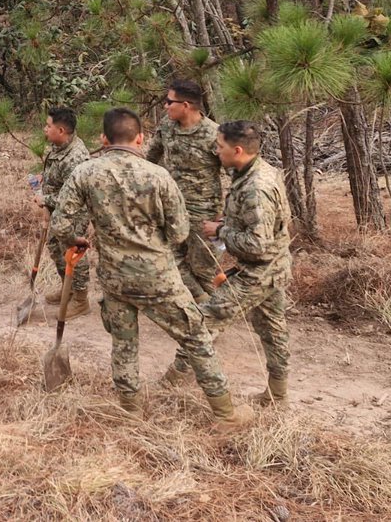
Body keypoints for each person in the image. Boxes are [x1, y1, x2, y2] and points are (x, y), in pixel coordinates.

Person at [52, 107, 253, 427]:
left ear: (103, 139)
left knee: (124, 343)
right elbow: (179, 233)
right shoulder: (159, 176)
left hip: (114, 277)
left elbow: (61, 225)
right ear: (141, 139)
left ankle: (130, 409)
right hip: (158, 277)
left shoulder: (85, 172)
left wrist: (78, 240)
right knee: (196, 337)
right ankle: (225, 413)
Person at [163, 121, 292, 408]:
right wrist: (230, 224)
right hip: (273, 267)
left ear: (237, 150)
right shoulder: (256, 172)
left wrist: (220, 231)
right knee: (272, 329)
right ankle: (278, 396)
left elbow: (257, 243)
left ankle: (175, 379)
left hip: (259, 271)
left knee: (201, 322)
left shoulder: (256, 187)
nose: (216, 151)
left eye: (219, 147)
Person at [147, 79, 225, 300]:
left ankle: (210, 316)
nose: (165, 106)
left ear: (187, 105)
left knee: (203, 270)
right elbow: (151, 158)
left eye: (170, 101)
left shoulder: (213, 134)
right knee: (166, 258)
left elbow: (232, 173)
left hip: (204, 213)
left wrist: (224, 217)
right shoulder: (166, 126)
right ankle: (200, 305)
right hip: (170, 208)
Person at [37, 106, 91, 313]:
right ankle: (66, 287)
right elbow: (56, 175)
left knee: (73, 252)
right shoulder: (59, 146)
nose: (44, 129)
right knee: (55, 247)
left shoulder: (76, 158)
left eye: (48, 126)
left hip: (73, 213)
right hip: (58, 210)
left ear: (61, 130)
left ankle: (80, 299)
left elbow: (73, 196)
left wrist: (44, 198)